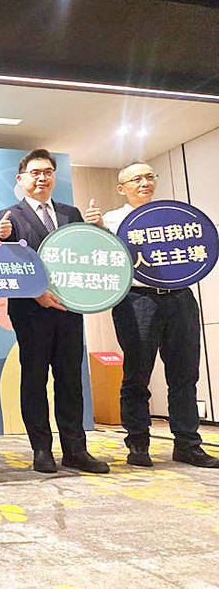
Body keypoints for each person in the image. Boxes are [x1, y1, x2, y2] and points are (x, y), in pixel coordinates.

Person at [0, 148, 109, 474]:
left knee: (70, 380)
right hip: (31, 311)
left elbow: (87, 255)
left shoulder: (71, 213)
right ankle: (41, 449)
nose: (42, 178)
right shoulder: (9, 216)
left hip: (70, 310)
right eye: (35, 172)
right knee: (34, 379)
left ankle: (75, 450)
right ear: (21, 178)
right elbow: (6, 263)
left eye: (47, 172)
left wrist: (98, 228)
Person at [103, 161, 219, 468]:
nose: (144, 183)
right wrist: (95, 230)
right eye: (136, 178)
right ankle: (138, 444)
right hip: (137, 300)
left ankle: (188, 445)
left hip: (180, 297)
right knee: (137, 375)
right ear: (121, 188)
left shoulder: (174, 216)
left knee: (185, 375)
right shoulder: (111, 221)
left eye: (149, 177)